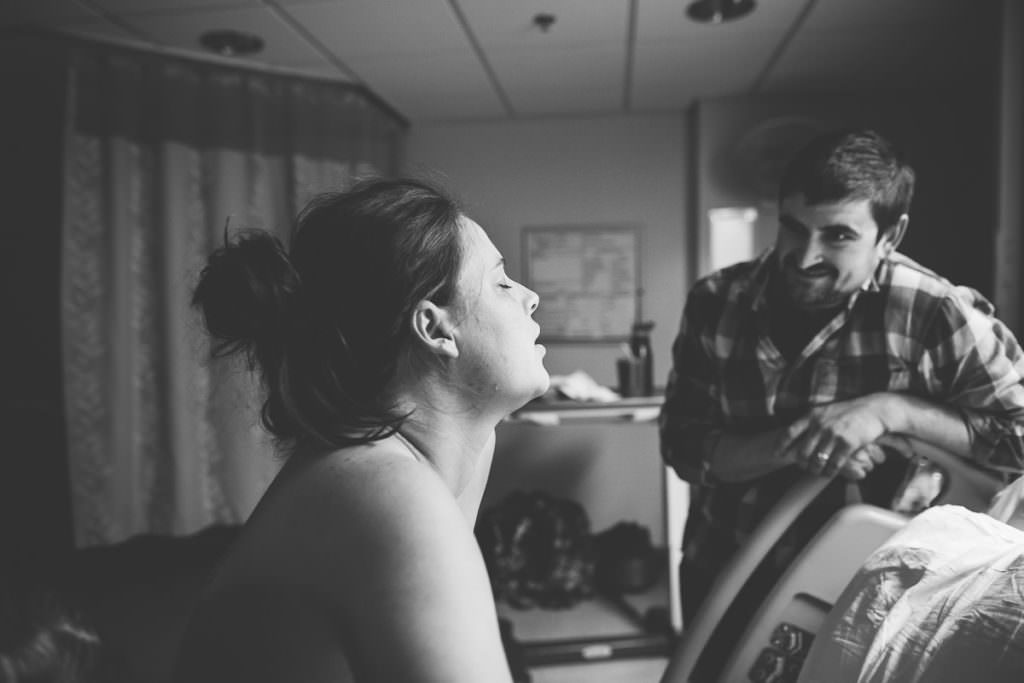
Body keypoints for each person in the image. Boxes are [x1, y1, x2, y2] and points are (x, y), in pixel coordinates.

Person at [658, 128, 1024, 672]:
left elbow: (1017, 439)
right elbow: (684, 447)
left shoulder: (934, 313)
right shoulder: (717, 302)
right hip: (726, 559)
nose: (805, 256)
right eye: (792, 227)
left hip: (870, 583)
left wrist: (888, 412)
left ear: (890, 234)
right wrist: (800, 443)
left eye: (838, 236)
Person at [173, 178, 549, 682]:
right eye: (502, 282)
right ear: (435, 329)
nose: (531, 297)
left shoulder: (440, 458)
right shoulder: (385, 493)